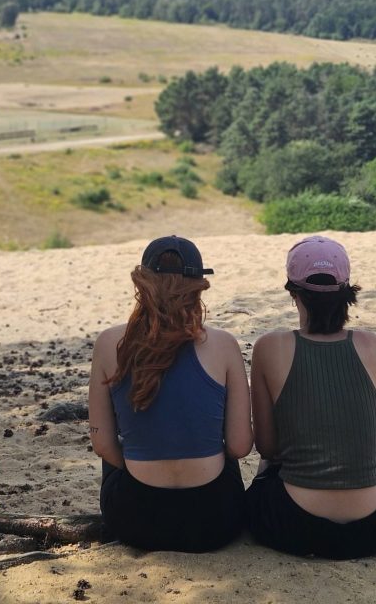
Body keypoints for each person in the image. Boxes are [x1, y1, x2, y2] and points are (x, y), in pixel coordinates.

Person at [89, 235, 253, 552]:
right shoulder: (223, 344)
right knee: (220, 449)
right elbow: (239, 446)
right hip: (215, 522)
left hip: (134, 521)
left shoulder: (110, 343)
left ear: (142, 284)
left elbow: (103, 444)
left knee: (122, 445)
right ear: (198, 286)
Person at [246, 235, 376, 559]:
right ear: (346, 292)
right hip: (371, 527)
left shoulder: (270, 347)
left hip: (296, 524)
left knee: (260, 485)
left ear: (293, 293)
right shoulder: (372, 346)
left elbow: (268, 448)